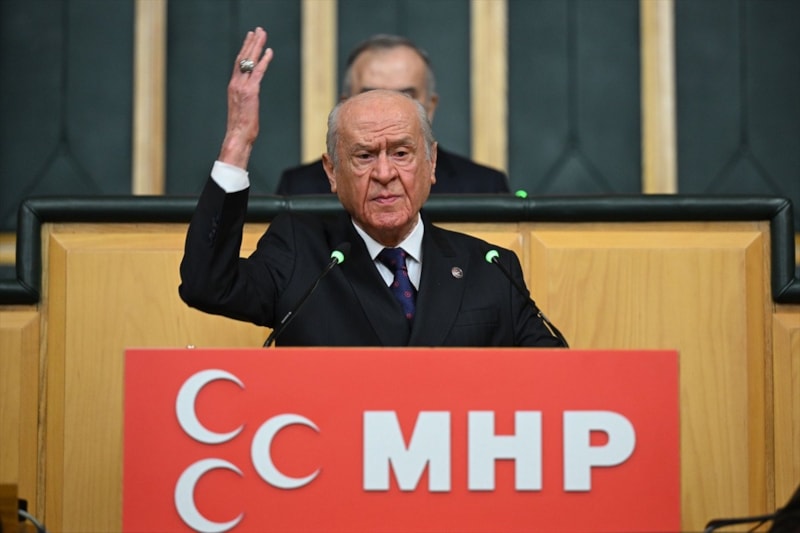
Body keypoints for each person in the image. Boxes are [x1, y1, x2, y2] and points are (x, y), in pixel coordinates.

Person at [179, 27, 564, 348]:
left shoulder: (491, 268)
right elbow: (206, 286)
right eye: (364, 156)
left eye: (401, 153)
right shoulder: (300, 254)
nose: (384, 173)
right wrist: (238, 141)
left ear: (431, 163)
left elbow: (553, 374)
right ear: (332, 171)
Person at [275, 33, 510, 195]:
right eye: (370, 96)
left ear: (431, 106)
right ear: (344, 106)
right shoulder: (300, 188)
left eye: (405, 97)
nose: (387, 110)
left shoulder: (483, 187)